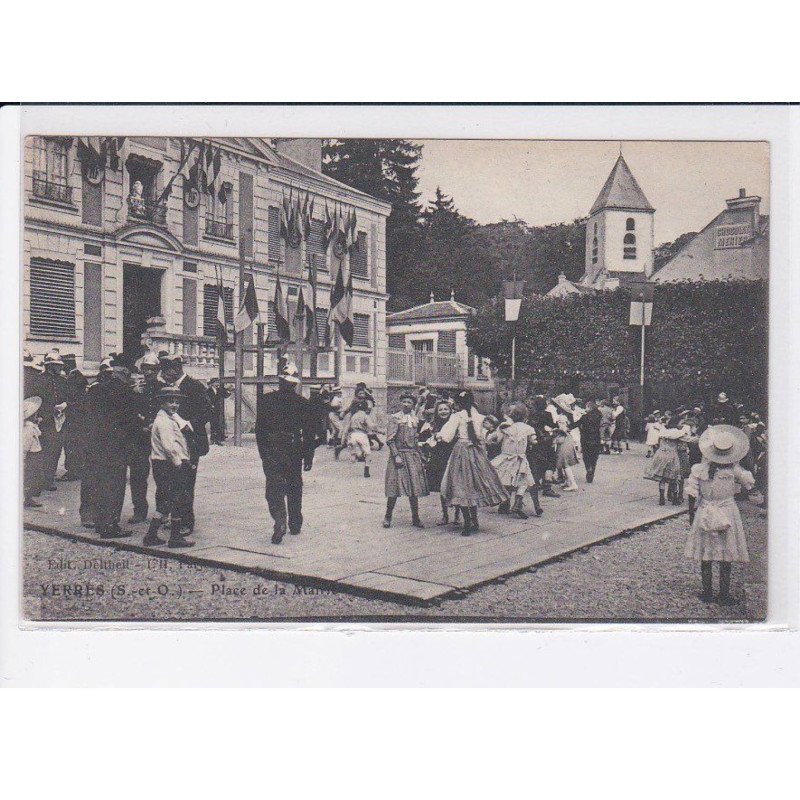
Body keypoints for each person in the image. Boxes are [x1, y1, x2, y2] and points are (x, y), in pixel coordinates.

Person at [685, 425, 755, 605]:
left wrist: (692, 514)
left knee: (705, 553)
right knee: (726, 553)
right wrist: (740, 462)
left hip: (705, 511)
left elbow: (692, 492)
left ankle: (707, 592)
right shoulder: (734, 470)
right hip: (727, 511)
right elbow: (749, 483)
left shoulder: (699, 469)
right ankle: (723, 595)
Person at [255, 363, 317, 544]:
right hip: (293, 448)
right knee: (294, 486)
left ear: (280, 381)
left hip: (272, 449)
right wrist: (308, 456)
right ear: (295, 384)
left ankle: (280, 520)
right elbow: (309, 433)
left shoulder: (266, 400)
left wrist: (263, 452)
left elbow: (260, 430)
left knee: (274, 488)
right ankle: (295, 523)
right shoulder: (303, 403)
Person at [439, 389, 508, 536]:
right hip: (477, 452)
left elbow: (447, 436)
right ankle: (474, 520)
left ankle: (467, 522)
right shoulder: (481, 417)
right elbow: (486, 435)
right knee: (474, 486)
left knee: (461, 486)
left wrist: (439, 435)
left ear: (458, 404)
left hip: (461, 452)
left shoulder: (457, 416)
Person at [84, 360, 139, 539]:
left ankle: (100, 522)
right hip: (117, 447)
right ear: (125, 374)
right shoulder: (126, 393)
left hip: (97, 445)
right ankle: (110, 525)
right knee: (115, 486)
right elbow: (131, 422)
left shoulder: (96, 389)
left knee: (100, 484)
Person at [159, 353, 212, 534]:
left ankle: (186, 522)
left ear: (177, 369)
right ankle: (177, 518)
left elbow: (207, 412)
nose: (163, 375)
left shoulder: (194, 386)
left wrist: (190, 424)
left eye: (166, 371)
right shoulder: (168, 387)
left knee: (187, 483)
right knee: (174, 482)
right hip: (174, 442)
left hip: (191, 442)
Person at [144, 385, 196, 549]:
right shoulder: (164, 422)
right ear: (162, 403)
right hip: (168, 465)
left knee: (167, 501)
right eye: (170, 402)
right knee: (177, 499)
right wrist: (179, 463)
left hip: (164, 464)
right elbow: (169, 446)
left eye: (177, 402)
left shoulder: (168, 418)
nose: (174, 405)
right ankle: (174, 537)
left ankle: (151, 535)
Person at [383, 391, 429, 528]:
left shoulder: (415, 420)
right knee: (394, 487)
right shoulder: (395, 418)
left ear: (413, 405)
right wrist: (396, 456)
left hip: (412, 456)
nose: (406, 404)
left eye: (409, 402)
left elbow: (415, 440)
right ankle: (388, 516)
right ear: (400, 403)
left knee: (414, 488)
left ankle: (415, 517)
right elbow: (390, 440)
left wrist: (421, 455)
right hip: (399, 456)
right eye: (404, 401)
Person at [487, 402, 541, 518]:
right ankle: (517, 502)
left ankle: (504, 503)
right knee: (523, 481)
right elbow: (533, 441)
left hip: (506, 457)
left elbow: (497, 440)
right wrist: (532, 442)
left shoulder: (505, 428)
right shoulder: (528, 428)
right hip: (520, 458)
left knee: (506, 480)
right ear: (525, 416)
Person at [127, 352, 162, 524]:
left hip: (159, 437)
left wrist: (154, 424)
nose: (148, 372)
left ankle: (162, 512)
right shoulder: (137, 390)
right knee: (138, 474)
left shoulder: (163, 389)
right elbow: (131, 412)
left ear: (157, 370)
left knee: (162, 475)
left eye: (152, 369)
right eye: (146, 369)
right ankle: (139, 510)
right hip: (140, 436)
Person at [419, 399, 460, 526]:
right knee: (442, 486)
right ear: (437, 412)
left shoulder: (455, 423)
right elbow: (423, 437)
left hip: (453, 455)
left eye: (446, 409)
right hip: (439, 457)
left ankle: (457, 514)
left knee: (456, 485)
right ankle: (445, 515)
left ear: (450, 411)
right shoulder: (433, 425)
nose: (443, 412)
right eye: (440, 409)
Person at [38, 350, 68, 491]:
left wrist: (65, 404)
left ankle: (49, 479)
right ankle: (41, 480)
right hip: (45, 420)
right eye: (57, 365)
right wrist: (50, 408)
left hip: (60, 420)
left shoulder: (62, 381)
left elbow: (68, 396)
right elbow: (37, 400)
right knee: (44, 451)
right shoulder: (40, 380)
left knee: (55, 450)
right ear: (50, 366)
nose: (60, 367)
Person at [645, 412, 688, 505]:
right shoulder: (678, 432)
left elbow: (659, 439)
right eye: (680, 422)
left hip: (660, 453)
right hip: (671, 455)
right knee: (674, 477)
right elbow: (686, 439)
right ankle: (675, 498)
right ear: (676, 423)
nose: (682, 424)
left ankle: (661, 498)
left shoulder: (663, 430)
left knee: (662, 477)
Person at [61, 355, 88, 481]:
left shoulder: (74, 378)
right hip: (79, 417)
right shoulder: (79, 377)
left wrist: (67, 404)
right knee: (77, 444)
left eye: (64, 365)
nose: (63, 368)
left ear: (68, 365)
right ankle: (78, 470)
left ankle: (72, 472)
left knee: (71, 444)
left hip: (74, 417)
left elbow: (75, 399)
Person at [527, 395, 559, 499]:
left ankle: (536, 483)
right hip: (545, 441)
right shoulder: (547, 414)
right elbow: (553, 426)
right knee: (550, 463)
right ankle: (547, 488)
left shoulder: (530, 415)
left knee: (536, 462)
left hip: (534, 441)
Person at [23, 396, 44, 508]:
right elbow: (25, 446)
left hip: (34, 454)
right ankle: (27, 498)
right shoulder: (29, 429)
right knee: (30, 477)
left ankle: (28, 497)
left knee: (33, 477)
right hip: (31, 455)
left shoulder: (31, 427)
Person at [577, 399, 602, 484]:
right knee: (594, 457)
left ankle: (588, 468)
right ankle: (591, 474)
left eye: (586, 407)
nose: (585, 409)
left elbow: (576, 424)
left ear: (589, 407)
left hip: (586, 439)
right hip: (596, 439)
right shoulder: (599, 416)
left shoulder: (584, 417)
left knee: (586, 456)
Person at [553, 414, 580, 492]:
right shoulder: (566, 429)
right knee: (565, 465)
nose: (558, 423)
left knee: (566, 465)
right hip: (568, 445)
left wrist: (554, 439)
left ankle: (573, 484)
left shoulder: (561, 430)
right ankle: (567, 481)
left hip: (564, 447)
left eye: (559, 421)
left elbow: (561, 440)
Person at [348, 399, 374, 478]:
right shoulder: (365, 416)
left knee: (356, 449)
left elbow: (348, 427)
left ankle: (355, 454)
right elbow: (371, 426)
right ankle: (366, 469)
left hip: (353, 434)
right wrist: (379, 430)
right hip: (362, 434)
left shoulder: (354, 416)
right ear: (366, 408)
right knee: (368, 452)